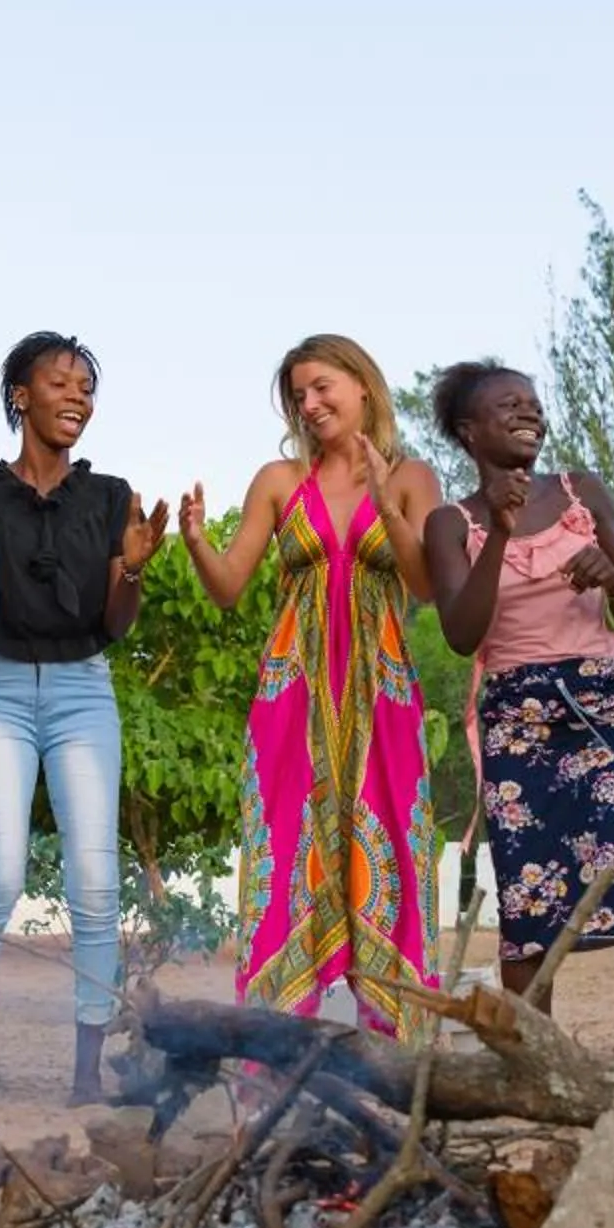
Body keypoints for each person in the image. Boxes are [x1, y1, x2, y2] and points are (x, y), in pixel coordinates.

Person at [0, 332, 167, 1117]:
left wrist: (129, 567)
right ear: (20, 396)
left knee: (95, 883)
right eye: (60, 383)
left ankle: (85, 1071)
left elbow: (116, 624)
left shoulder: (110, 498)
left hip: (83, 691)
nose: (77, 398)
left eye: (87, 388)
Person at [179, 335, 442, 1032]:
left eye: (322, 386)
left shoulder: (415, 478)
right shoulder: (278, 479)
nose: (311, 403)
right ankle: (270, 1053)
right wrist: (199, 543)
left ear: (363, 386)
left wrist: (387, 503)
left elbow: (425, 585)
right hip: (290, 702)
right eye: (299, 394)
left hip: (382, 700)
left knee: (390, 859)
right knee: (286, 853)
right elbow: (230, 588)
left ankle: (394, 1055)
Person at [421, 362, 614, 1056]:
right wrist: (499, 532)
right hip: (516, 716)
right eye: (509, 406)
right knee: (526, 897)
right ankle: (533, 1069)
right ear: (469, 431)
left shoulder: (580, 491)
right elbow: (461, 635)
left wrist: (613, 575)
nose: (528, 413)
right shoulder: (452, 523)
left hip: (600, 708)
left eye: (533, 404)